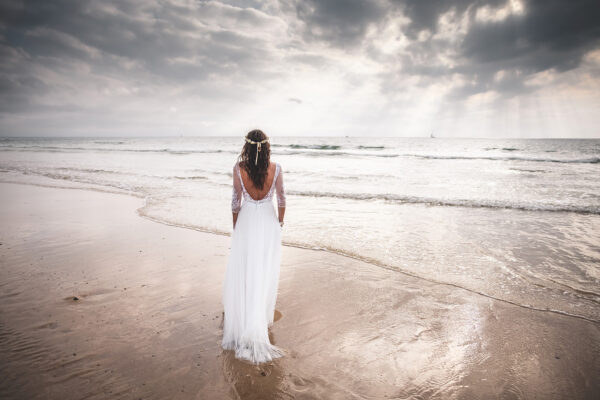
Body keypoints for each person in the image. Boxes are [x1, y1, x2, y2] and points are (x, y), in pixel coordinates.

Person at [221, 129, 286, 364]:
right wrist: (279, 221)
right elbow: (281, 199)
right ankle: (260, 314)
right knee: (264, 267)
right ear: (266, 147)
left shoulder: (239, 169)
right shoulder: (276, 168)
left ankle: (245, 313)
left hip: (247, 220)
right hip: (268, 221)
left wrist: (236, 226)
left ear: (246, 147)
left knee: (246, 267)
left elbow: (235, 201)